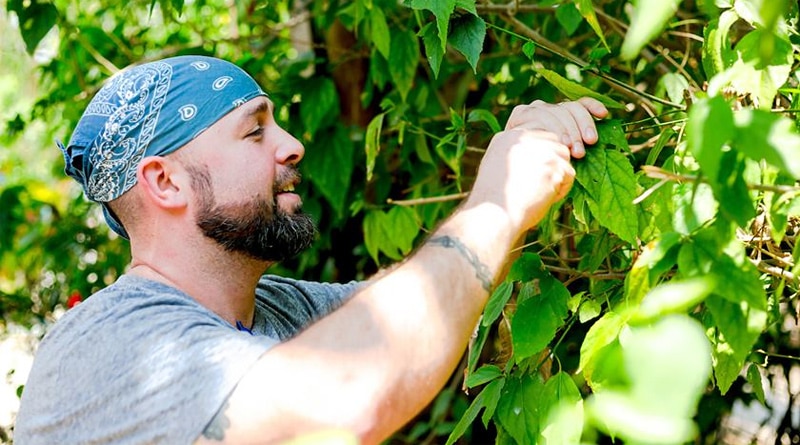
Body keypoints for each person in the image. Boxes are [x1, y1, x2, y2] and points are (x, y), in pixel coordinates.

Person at [13, 55, 608, 444]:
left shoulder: (275, 311)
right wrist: (498, 202)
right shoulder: (109, 347)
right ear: (165, 182)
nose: (294, 145)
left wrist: (522, 150)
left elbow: (423, 305)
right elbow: (345, 396)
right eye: (254, 130)